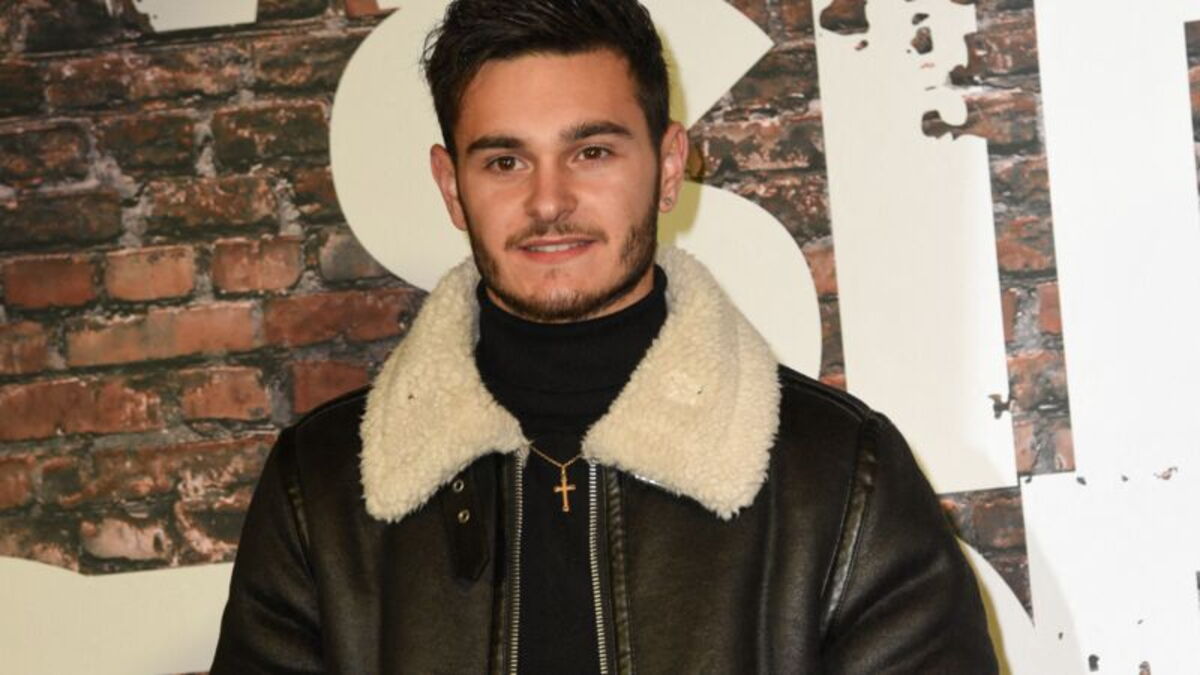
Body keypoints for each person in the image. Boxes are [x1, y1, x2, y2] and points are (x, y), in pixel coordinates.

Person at [211, 0, 999, 672]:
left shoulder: (838, 477)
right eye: (505, 161)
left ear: (668, 165)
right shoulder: (322, 491)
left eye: (591, 152)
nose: (548, 201)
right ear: (452, 187)